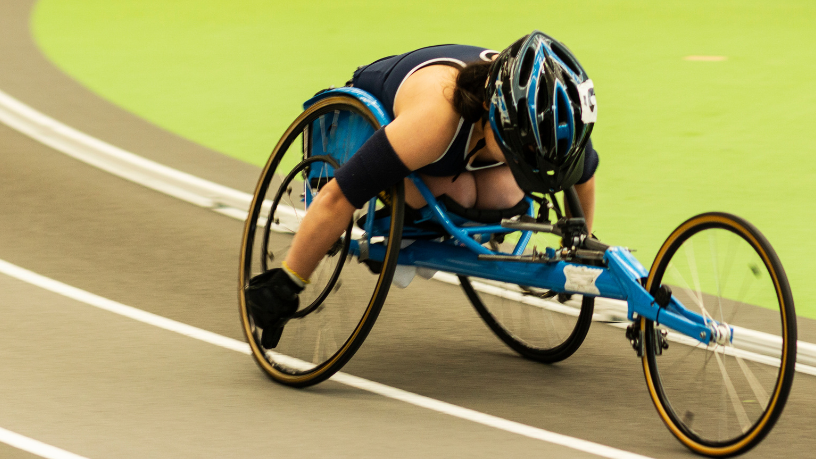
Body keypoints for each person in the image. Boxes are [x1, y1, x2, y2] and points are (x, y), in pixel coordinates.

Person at [247, 31, 599, 348]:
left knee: (506, 195)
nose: (528, 159)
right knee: (459, 196)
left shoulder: (552, 120)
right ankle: (405, 225)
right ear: (493, 114)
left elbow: (583, 176)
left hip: (460, 150)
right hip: (388, 123)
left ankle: (432, 221)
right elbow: (337, 197)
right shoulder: (434, 121)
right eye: (520, 149)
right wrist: (289, 280)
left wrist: (578, 243)